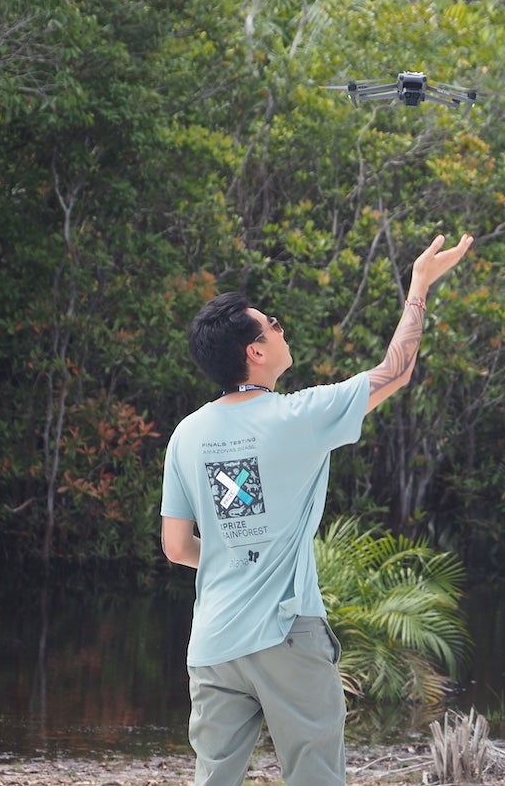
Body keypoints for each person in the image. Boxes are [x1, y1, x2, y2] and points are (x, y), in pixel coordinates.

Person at [160, 233, 474, 786]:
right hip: (284, 635)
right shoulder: (297, 416)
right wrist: (419, 288)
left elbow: (177, 547)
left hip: (211, 643)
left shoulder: (186, 434)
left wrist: (238, 555)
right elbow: (396, 370)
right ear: (255, 351)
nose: (282, 329)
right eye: (273, 324)